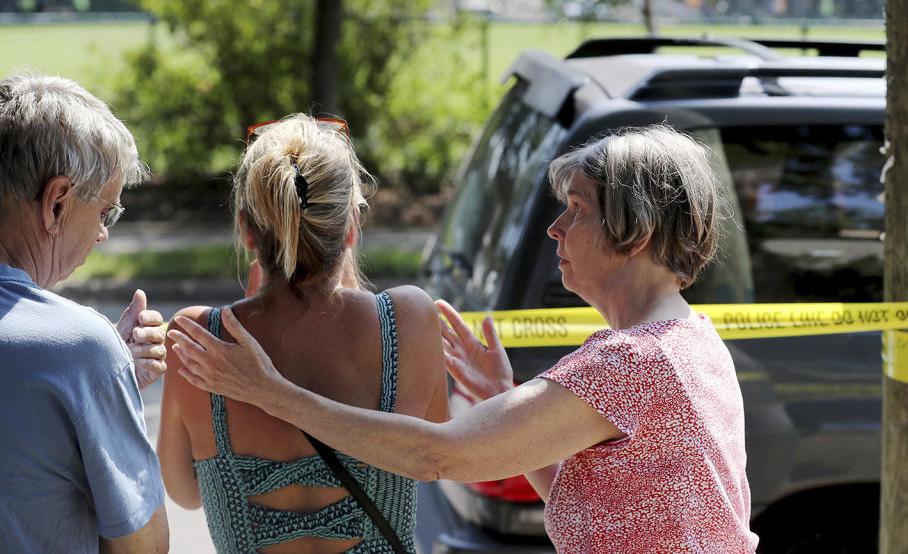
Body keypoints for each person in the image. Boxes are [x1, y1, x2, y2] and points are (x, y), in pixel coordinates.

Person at [171, 125, 760, 553]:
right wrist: (509, 394)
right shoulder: (691, 340)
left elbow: (437, 456)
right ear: (351, 226)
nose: (555, 227)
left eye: (576, 209)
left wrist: (272, 392)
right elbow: (598, 515)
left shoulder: (632, 361)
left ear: (638, 234)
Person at [157, 114, 450, 553]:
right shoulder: (405, 322)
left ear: (246, 231)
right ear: (350, 227)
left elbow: (185, 492)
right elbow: (440, 453)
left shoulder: (199, 338)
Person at [0, 73, 168, 552]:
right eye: (105, 212)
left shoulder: (84, 358)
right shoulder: (82, 350)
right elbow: (144, 546)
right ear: (55, 203)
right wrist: (100, 370)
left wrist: (100, 386)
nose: (102, 234)